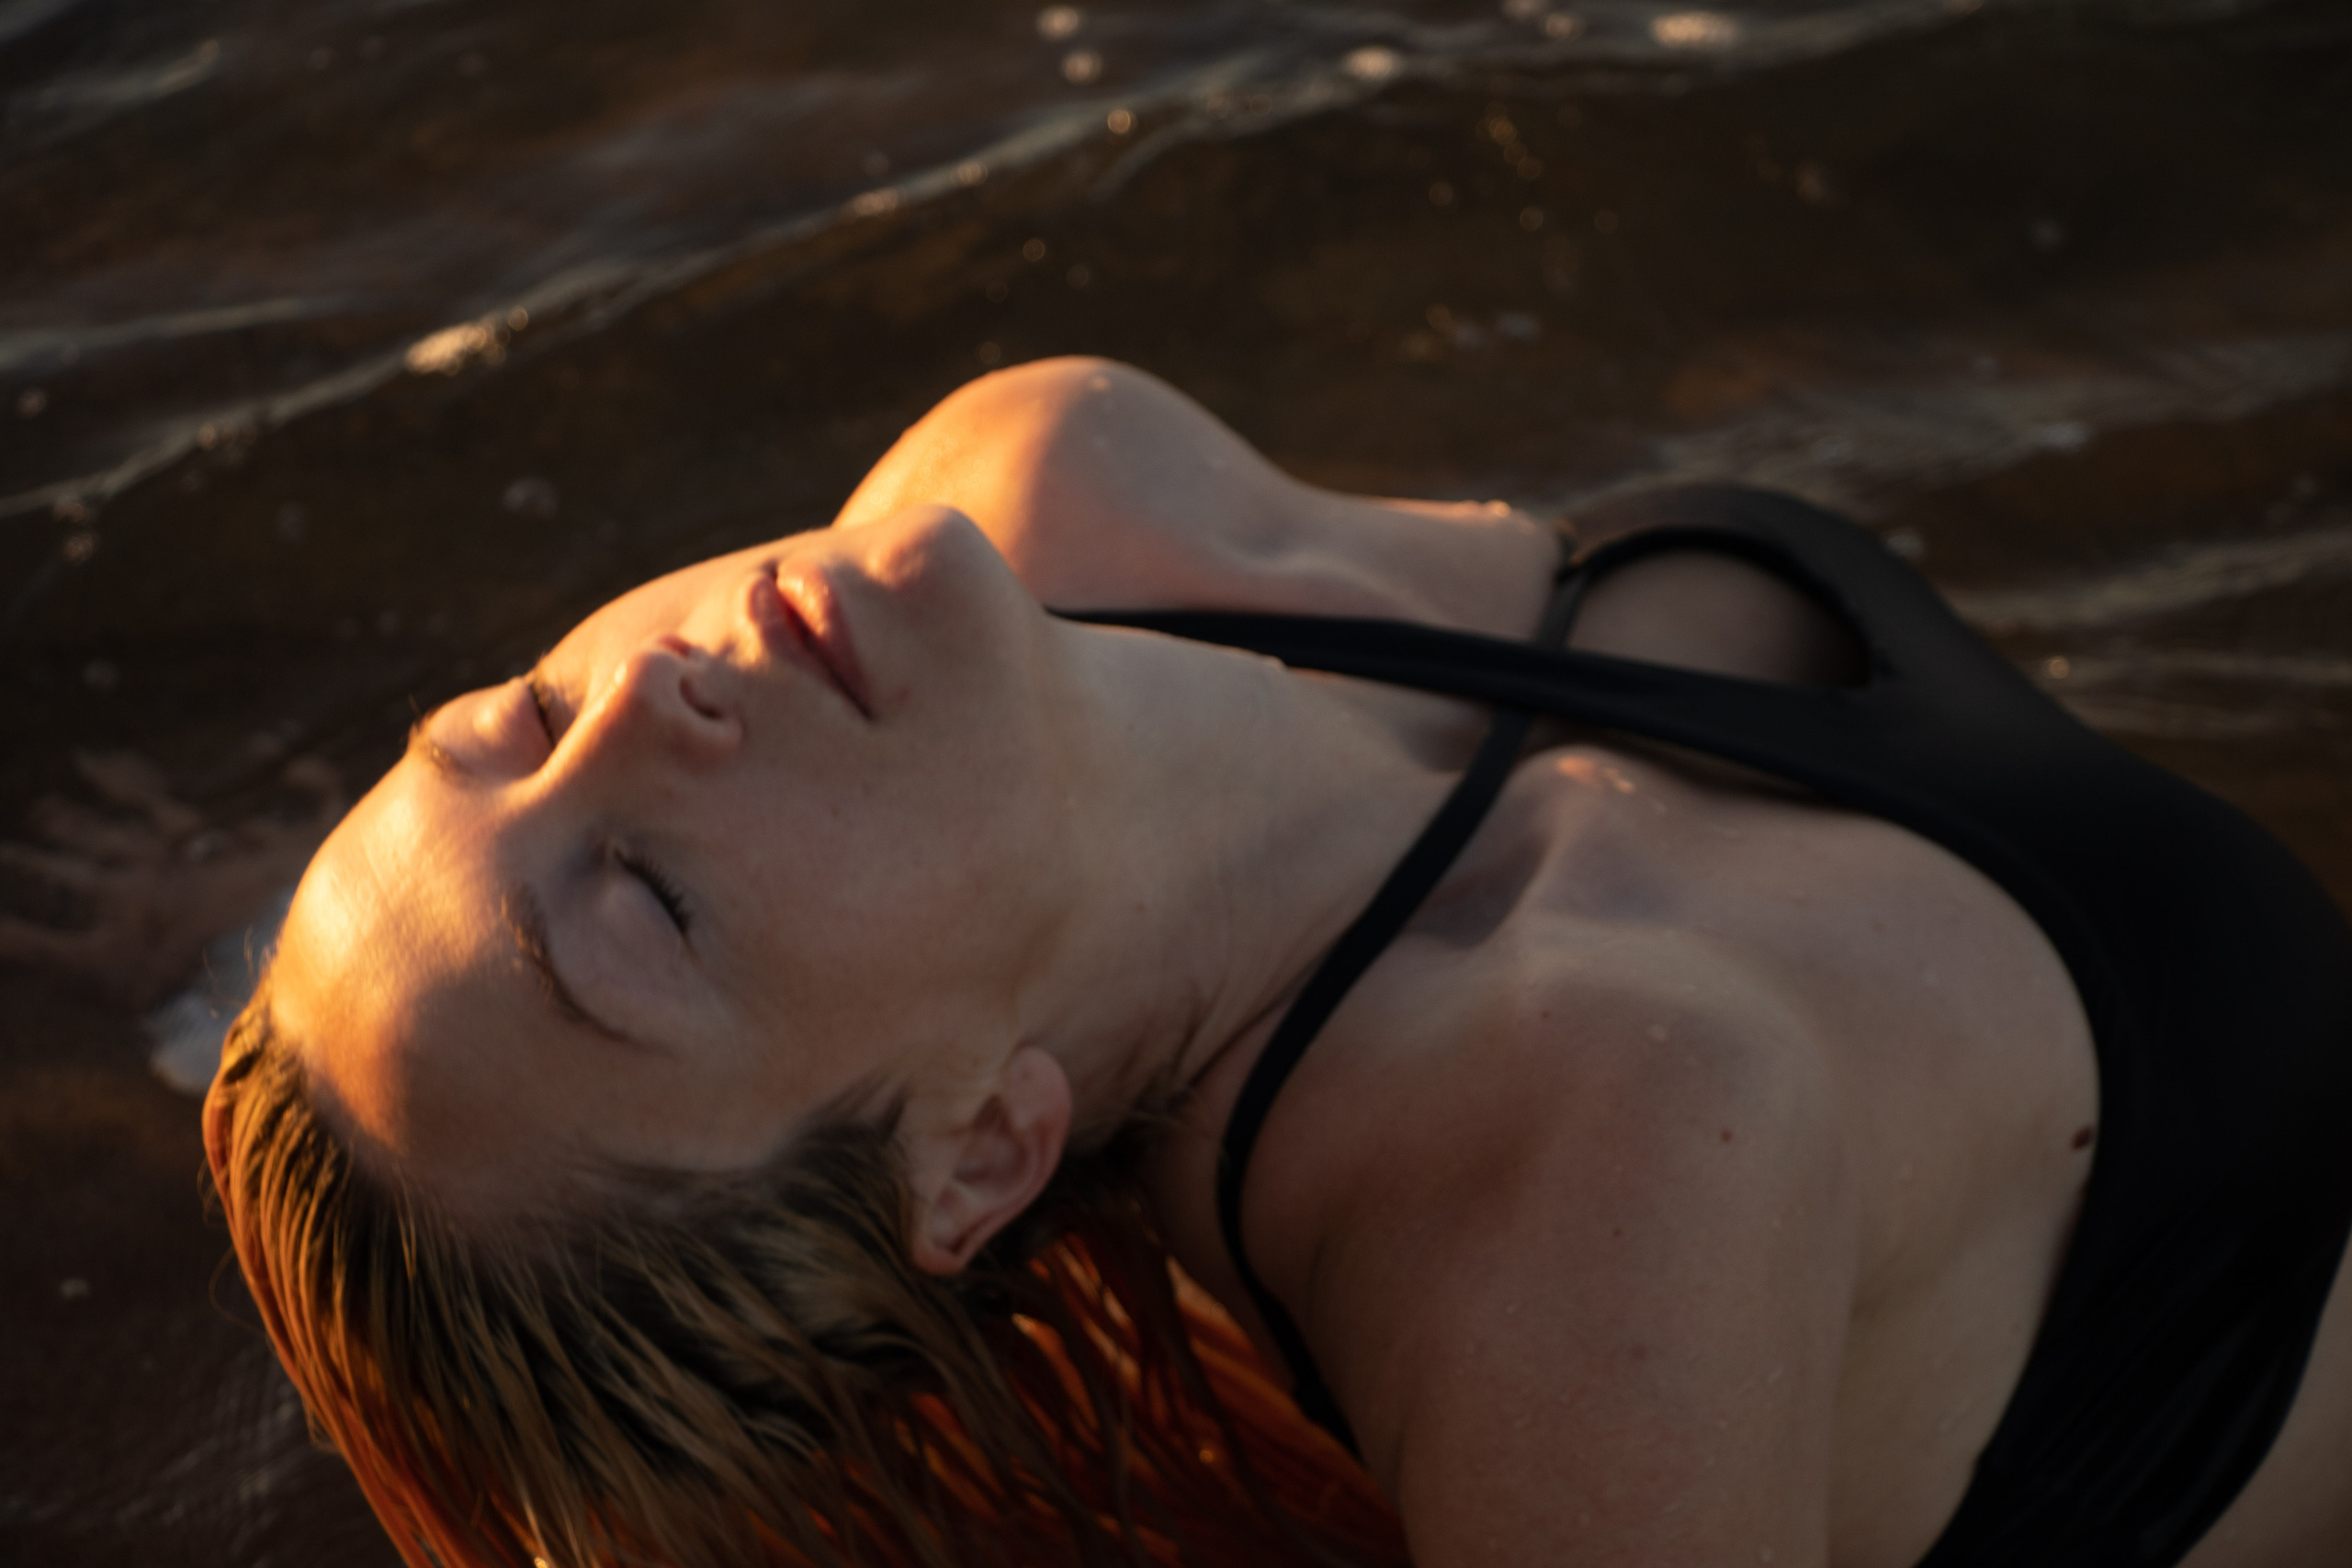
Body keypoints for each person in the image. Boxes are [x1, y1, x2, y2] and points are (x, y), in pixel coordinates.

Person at [204, 357, 2352, 1568]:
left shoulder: (1053, 480)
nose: (644, 699)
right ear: (972, 1148)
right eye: (646, 907)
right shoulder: (1581, 1172)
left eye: (506, 725)